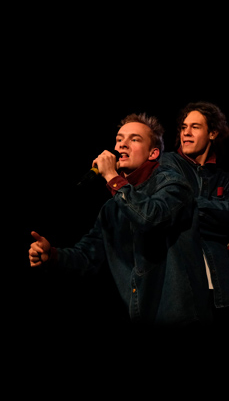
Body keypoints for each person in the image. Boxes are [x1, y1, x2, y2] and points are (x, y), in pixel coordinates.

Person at [29, 112, 198, 327]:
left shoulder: (173, 184)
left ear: (153, 153)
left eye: (134, 139)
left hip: (179, 316)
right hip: (140, 316)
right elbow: (88, 256)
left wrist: (112, 178)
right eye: (119, 139)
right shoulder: (112, 207)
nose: (122, 145)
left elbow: (150, 217)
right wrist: (52, 256)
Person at [159, 101, 229, 326]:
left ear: (213, 133)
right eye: (183, 127)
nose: (186, 132)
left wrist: (191, 205)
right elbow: (169, 212)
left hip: (224, 288)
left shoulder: (226, 179)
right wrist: (214, 212)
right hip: (180, 288)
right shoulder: (167, 163)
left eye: (195, 127)